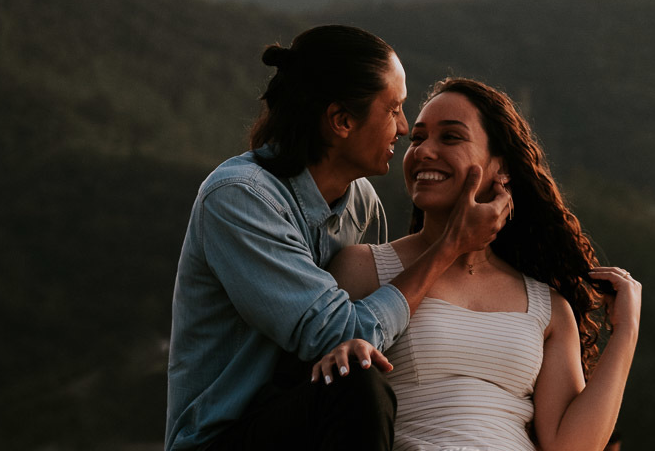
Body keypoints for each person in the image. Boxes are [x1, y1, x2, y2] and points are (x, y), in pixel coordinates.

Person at [165, 27, 512, 451]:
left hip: (314, 421)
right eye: (395, 110)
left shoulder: (361, 203)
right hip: (224, 436)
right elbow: (343, 334)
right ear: (342, 121)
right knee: (355, 382)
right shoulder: (240, 197)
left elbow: (385, 327)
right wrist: (449, 246)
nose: (403, 129)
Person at [313, 77, 642, 451]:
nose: (423, 151)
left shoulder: (548, 307)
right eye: (416, 138)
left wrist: (626, 331)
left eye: (450, 137)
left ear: (501, 168)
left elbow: (571, 446)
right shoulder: (364, 268)